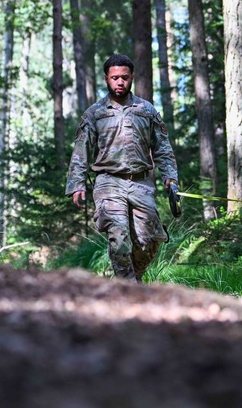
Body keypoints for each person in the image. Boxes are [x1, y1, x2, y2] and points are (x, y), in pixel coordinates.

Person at [65, 54, 179, 281]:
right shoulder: (95, 113)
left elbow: (162, 147)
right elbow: (81, 151)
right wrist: (77, 184)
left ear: (132, 78)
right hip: (108, 182)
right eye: (115, 78)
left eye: (124, 78)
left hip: (140, 182)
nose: (120, 82)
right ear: (107, 79)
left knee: (150, 239)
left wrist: (170, 176)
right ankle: (128, 288)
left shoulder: (146, 110)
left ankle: (129, 281)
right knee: (118, 236)